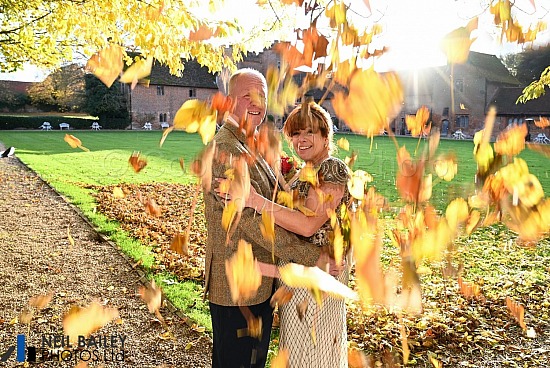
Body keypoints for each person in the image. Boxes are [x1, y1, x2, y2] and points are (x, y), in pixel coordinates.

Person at [203, 68, 329, 368]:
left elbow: (271, 202)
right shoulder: (226, 149)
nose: (257, 102)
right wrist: (313, 255)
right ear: (229, 102)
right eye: (248, 96)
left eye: (261, 95)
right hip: (237, 287)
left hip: (258, 280)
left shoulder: (248, 143)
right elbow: (250, 223)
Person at [244, 101, 351, 368]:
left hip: (318, 277)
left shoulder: (332, 169)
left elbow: (308, 225)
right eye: (294, 134)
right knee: (296, 350)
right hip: (299, 273)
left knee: (313, 352)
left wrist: (254, 200)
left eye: (309, 133)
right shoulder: (308, 170)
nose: (300, 140)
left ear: (326, 136)